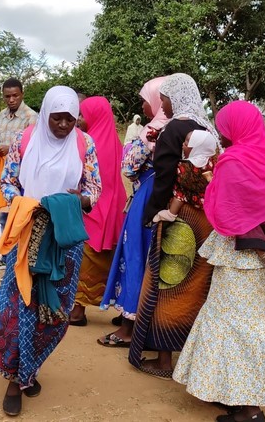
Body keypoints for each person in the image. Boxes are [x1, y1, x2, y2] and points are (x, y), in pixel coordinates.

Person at [174, 101, 265, 422]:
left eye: (224, 129)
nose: (221, 136)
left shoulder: (234, 161)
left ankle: (250, 409)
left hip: (244, 254)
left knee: (237, 325)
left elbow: (229, 211)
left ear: (237, 129)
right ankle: (235, 397)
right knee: (242, 321)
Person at [0, 85, 102, 417]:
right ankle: (16, 378)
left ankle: (31, 367)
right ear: (46, 115)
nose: (64, 126)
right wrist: (28, 203)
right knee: (19, 305)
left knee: (54, 310)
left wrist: (75, 200)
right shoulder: (25, 140)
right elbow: (7, 183)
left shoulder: (84, 144)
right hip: (25, 231)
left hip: (64, 240)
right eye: (57, 119)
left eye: (70, 119)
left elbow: (94, 188)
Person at [128, 72, 220, 378]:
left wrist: (154, 215)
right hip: (203, 220)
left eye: (165, 97)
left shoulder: (173, 129)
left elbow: (165, 178)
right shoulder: (206, 128)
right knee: (192, 286)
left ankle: (164, 360)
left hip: (176, 215)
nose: (162, 104)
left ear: (177, 98)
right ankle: (190, 356)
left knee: (165, 283)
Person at [98, 76, 168, 347]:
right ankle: (152, 323)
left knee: (137, 256)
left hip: (148, 198)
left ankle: (129, 327)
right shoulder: (192, 127)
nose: (143, 104)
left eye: (145, 99)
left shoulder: (153, 130)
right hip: (175, 203)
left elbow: (129, 167)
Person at [70, 97, 127, 325]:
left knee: (85, 259)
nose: (79, 120)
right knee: (114, 260)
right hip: (115, 209)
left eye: (82, 115)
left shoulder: (90, 144)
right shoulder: (115, 141)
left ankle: (77, 310)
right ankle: (123, 312)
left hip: (95, 208)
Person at [0, 78, 38, 228]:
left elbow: (34, 150)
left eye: (15, 95)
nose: (11, 100)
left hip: (22, 177)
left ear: (22, 94)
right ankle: (7, 251)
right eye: (7, 96)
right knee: (4, 220)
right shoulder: (2, 115)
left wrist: (11, 150)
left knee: (21, 219)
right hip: (4, 175)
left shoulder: (31, 117)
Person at [152, 129, 218, 223]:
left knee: (180, 189)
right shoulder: (214, 161)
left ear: (196, 149)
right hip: (213, 199)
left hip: (197, 201)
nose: (183, 145)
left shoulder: (185, 166)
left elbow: (182, 182)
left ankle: (171, 213)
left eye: (186, 144)